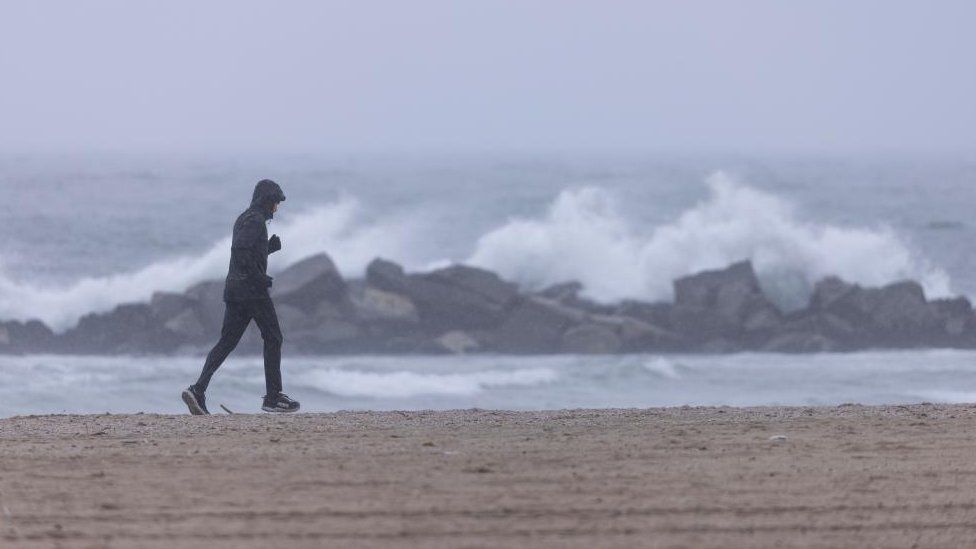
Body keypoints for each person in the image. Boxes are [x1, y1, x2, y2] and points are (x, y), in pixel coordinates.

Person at [182, 179, 300, 414]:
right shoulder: (255, 220)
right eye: (275, 203)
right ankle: (273, 397)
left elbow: (244, 250)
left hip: (235, 291)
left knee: (227, 342)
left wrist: (268, 249)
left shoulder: (244, 218)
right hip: (251, 292)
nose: (276, 209)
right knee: (273, 337)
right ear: (266, 201)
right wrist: (258, 277)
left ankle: (198, 389)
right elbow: (240, 250)